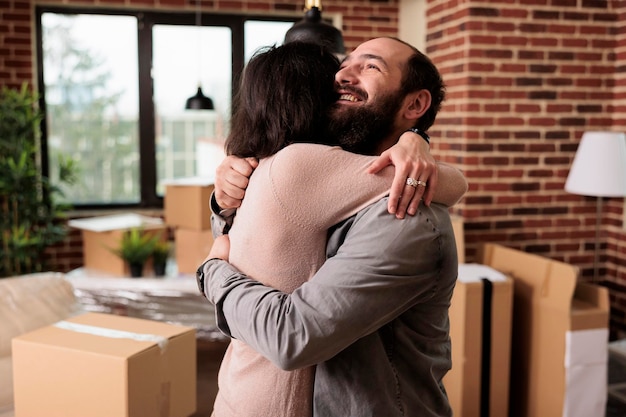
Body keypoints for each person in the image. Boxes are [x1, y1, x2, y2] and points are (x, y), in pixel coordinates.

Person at [199, 37, 466, 417]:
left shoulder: (406, 216)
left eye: (370, 66)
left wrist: (212, 273)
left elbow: (292, 337)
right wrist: (225, 203)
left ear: (415, 104)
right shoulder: (321, 181)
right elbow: (266, 250)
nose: (344, 74)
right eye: (345, 63)